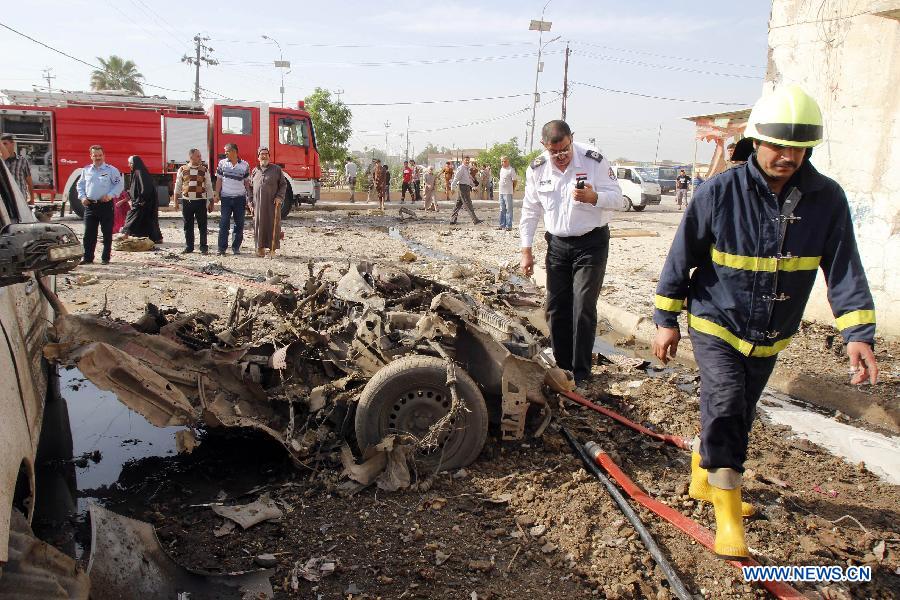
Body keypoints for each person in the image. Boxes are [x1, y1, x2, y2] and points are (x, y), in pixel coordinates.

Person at [651, 86, 878, 561]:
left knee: (738, 410)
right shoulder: (718, 193)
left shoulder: (826, 199)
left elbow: (843, 268)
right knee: (728, 404)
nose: (788, 156)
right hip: (717, 322)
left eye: (798, 148)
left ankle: (702, 474)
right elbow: (681, 258)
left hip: (771, 333)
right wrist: (666, 319)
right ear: (756, 141)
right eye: (778, 145)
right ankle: (727, 513)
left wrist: (857, 334)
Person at [519, 120, 622, 386]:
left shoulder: (593, 161)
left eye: (564, 150)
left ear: (571, 139)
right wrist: (526, 250)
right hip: (557, 245)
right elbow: (530, 211)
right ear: (545, 147)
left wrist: (594, 197)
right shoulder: (538, 168)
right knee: (555, 307)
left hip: (591, 244)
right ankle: (563, 369)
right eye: (554, 152)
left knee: (583, 306)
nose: (561, 157)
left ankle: (582, 372)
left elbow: (619, 199)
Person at [76, 145, 124, 265]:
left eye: (100, 155)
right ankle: (88, 258)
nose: (97, 158)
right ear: (91, 156)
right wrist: (82, 197)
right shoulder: (86, 170)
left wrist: (110, 195)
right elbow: (80, 185)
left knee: (107, 233)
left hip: (105, 206)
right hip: (90, 206)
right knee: (88, 234)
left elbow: (119, 185)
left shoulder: (111, 170)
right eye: (95, 155)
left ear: (104, 155)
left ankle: (105, 258)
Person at [249, 146, 287, 258]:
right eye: (262, 154)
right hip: (258, 204)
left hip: (272, 204)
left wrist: (280, 197)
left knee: (272, 225)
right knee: (259, 225)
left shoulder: (276, 169)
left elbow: (283, 185)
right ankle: (260, 248)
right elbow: (250, 188)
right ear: (258, 157)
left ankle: (272, 249)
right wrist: (250, 202)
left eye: (266, 154)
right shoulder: (255, 170)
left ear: (269, 156)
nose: (264, 156)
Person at [174, 148, 214, 254]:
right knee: (188, 225)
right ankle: (189, 246)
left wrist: (211, 201)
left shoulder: (204, 170)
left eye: (200, 156)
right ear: (191, 157)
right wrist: (175, 200)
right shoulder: (183, 169)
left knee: (203, 225)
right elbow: (178, 185)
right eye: (198, 156)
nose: (200, 158)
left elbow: (209, 186)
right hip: (187, 201)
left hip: (200, 201)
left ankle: (203, 246)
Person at [215, 143, 251, 255]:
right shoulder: (222, 163)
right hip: (226, 198)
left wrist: (249, 197)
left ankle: (236, 247)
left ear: (235, 151)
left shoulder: (245, 165)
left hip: (239, 199)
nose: (225, 153)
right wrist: (217, 194)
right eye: (225, 151)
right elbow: (219, 180)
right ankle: (221, 248)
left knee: (239, 224)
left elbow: (246, 182)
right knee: (224, 223)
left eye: (227, 151)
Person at [120, 155, 163, 243]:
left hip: (142, 201)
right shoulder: (137, 172)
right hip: (142, 201)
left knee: (132, 217)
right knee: (148, 219)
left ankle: (125, 234)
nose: (129, 165)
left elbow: (146, 188)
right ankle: (157, 238)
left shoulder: (140, 173)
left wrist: (141, 200)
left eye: (130, 163)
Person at [0, 134, 35, 204]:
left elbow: (29, 181)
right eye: (1, 145)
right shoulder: (1, 161)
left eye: (5, 144)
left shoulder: (22, 161)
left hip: (20, 197)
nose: (3, 147)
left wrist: (32, 198)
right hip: (5, 197)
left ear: (12, 144)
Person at [449, 156, 483, 225]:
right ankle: (475, 220)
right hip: (462, 187)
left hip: (466, 187)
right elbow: (456, 178)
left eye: (468, 160)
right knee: (468, 204)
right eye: (466, 160)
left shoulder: (467, 169)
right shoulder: (461, 168)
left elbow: (468, 179)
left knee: (458, 205)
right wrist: (452, 187)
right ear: (463, 161)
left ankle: (452, 220)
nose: (467, 161)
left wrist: (473, 186)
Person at [497, 156, 518, 231]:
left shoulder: (511, 170)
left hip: (508, 192)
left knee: (508, 209)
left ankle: (509, 226)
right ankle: (502, 224)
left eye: (504, 161)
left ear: (508, 161)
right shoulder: (502, 169)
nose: (503, 163)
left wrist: (513, 189)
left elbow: (515, 180)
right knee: (502, 209)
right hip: (501, 192)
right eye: (502, 161)